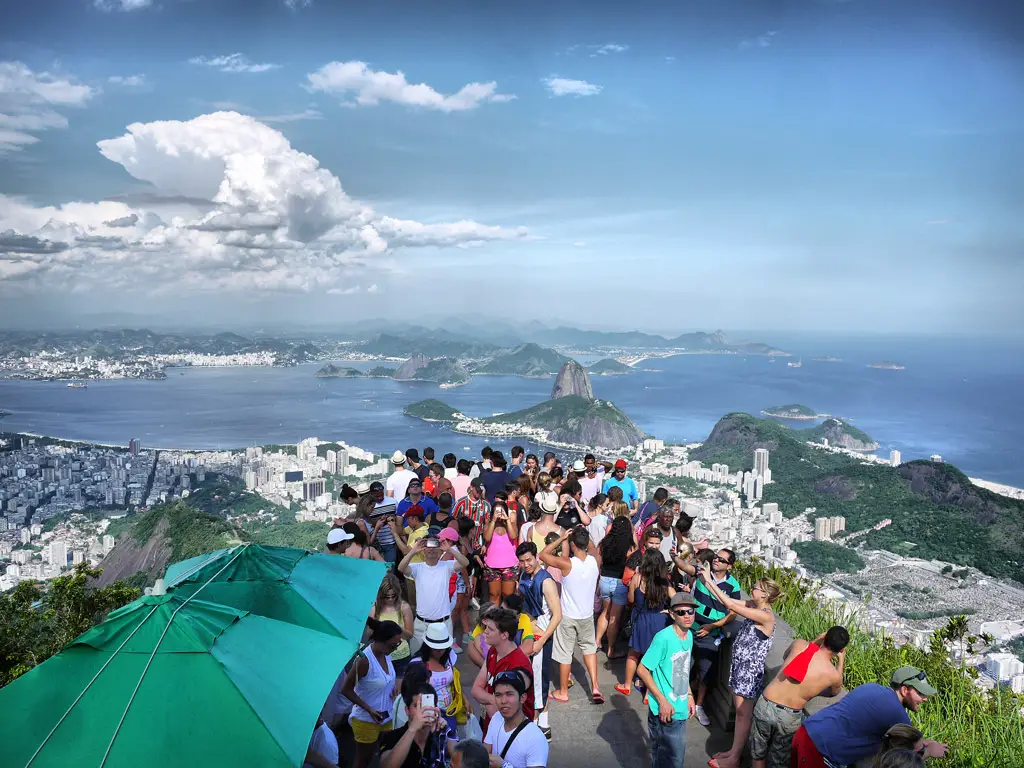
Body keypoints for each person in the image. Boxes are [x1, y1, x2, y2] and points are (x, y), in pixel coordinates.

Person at [698, 566, 780, 768]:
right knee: (740, 713)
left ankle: (734, 758)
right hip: (741, 667)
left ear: (766, 594)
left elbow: (729, 605)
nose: (752, 589)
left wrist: (710, 579)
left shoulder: (766, 616)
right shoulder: (754, 607)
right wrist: (707, 581)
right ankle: (733, 752)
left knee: (743, 715)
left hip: (749, 672)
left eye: (756, 587)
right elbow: (727, 601)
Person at [792, 667, 948, 768]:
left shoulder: (872, 687)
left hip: (806, 731)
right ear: (905, 689)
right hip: (819, 751)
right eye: (920, 694)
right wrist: (930, 751)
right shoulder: (897, 714)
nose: (924, 698)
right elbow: (908, 755)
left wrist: (926, 743)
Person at [750, 626, 849, 768]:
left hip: (766, 704)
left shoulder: (800, 644)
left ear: (824, 637)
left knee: (758, 756)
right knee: (778, 763)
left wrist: (816, 641)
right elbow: (835, 691)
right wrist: (841, 660)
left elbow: (786, 656)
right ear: (840, 650)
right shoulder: (832, 675)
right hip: (789, 717)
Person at [541, 526, 604, 705]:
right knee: (590, 650)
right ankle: (596, 687)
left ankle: (562, 692)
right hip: (586, 615)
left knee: (564, 654)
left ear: (573, 544)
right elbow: (592, 548)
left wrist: (561, 539)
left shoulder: (567, 563)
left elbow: (543, 555)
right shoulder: (595, 560)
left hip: (568, 615)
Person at [636, 592, 698, 768]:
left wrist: (689, 694)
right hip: (665, 712)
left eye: (690, 611)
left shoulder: (690, 635)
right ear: (672, 614)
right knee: (671, 761)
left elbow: (683, 670)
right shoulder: (663, 638)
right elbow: (642, 669)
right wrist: (662, 700)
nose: (687, 615)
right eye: (681, 612)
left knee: (671, 760)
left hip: (680, 707)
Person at [343, 618, 403, 768]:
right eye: (393, 645)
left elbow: (386, 679)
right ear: (382, 641)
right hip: (366, 720)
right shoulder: (363, 661)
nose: (395, 648)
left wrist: (393, 687)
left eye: (398, 645)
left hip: (386, 716)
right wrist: (369, 709)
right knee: (363, 760)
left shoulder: (386, 654)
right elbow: (346, 689)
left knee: (382, 754)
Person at [517, 541, 562, 741]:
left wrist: (542, 639)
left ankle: (538, 726)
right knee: (532, 681)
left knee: (539, 683)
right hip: (528, 633)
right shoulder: (524, 576)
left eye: (528, 560)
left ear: (536, 557)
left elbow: (558, 615)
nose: (526, 564)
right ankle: (540, 723)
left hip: (541, 638)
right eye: (522, 561)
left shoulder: (546, 581)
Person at [692, 548, 741, 727]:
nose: (716, 561)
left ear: (729, 566)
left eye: (721, 559)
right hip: (689, 627)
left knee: (706, 672)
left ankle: (699, 705)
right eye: (715, 557)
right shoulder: (702, 572)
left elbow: (733, 612)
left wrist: (713, 626)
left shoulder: (733, 586)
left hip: (711, 634)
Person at [617, 549, 674, 697]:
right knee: (654, 657)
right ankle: (649, 695)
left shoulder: (638, 578)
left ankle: (627, 685)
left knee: (633, 654)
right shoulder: (664, 582)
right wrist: (670, 611)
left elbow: (630, 599)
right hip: (659, 620)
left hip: (641, 619)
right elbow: (678, 600)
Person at [400, 534, 469, 655]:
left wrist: (449, 549)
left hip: (444, 624)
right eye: (428, 545)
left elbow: (465, 563)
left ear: (439, 549)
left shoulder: (447, 566)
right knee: (417, 660)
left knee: (443, 660)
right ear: (423, 549)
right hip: (421, 624)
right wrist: (413, 551)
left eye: (435, 545)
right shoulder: (417, 567)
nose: (431, 549)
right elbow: (401, 568)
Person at [471, 607, 535, 727]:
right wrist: (492, 700)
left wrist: (486, 700)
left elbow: (507, 713)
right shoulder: (493, 652)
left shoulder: (518, 664)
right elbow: (475, 690)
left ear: (504, 635)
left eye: (490, 629)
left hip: (510, 733)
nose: (485, 632)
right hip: (493, 727)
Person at [379, 682, 457, 768]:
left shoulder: (440, 734)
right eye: (417, 706)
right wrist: (412, 729)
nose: (422, 710)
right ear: (407, 710)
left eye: (427, 705)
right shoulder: (392, 736)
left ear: (435, 708)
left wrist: (447, 731)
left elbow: (459, 761)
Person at [484, 670, 550, 768]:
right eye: (498, 695)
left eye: (509, 694)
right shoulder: (496, 718)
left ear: (523, 698)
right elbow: (485, 754)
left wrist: (504, 766)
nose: (503, 701)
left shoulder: (536, 738)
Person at [409, 624, 465, 734]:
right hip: (429, 714)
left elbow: (454, 682)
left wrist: (464, 699)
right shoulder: (417, 664)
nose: (439, 651)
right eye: (436, 648)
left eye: (442, 648)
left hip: (450, 711)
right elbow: (412, 694)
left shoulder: (450, 657)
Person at [596, 516, 633, 659]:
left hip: (604, 579)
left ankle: (597, 641)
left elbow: (600, 563)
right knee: (614, 618)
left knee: (605, 612)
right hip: (619, 583)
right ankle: (611, 650)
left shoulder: (604, 543)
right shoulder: (628, 546)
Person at [372, 573, 415, 678]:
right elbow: (369, 634)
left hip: (401, 657)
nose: (390, 599)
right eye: (387, 596)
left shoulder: (404, 607)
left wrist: (396, 629)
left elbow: (410, 635)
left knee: (399, 691)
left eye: (393, 596)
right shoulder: (375, 608)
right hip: (381, 656)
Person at [483, 501, 520, 603]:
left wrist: (507, 519)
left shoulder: (511, 524)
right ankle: (495, 617)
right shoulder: (488, 525)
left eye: (501, 511)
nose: (499, 513)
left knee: (507, 595)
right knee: (494, 594)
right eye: (497, 511)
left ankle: (507, 617)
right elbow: (487, 537)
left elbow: (513, 536)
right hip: (492, 566)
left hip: (509, 566)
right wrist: (493, 521)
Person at [370, 480, 401, 563]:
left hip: (391, 541)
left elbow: (399, 520)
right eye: (377, 496)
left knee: (390, 567)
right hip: (376, 542)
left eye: (381, 495)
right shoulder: (369, 506)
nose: (380, 498)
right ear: (371, 494)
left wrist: (392, 519)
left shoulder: (393, 502)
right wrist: (378, 521)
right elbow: (367, 522)